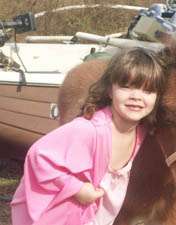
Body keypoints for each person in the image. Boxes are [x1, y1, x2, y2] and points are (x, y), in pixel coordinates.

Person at [11, 47, 166, 225]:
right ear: (110, 90)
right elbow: (38, 156)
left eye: (148, 91)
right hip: (60, 218)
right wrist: (76, 188)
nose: (136, 97)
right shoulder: (89, 130)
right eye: (126, 87)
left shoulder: (140, 132)